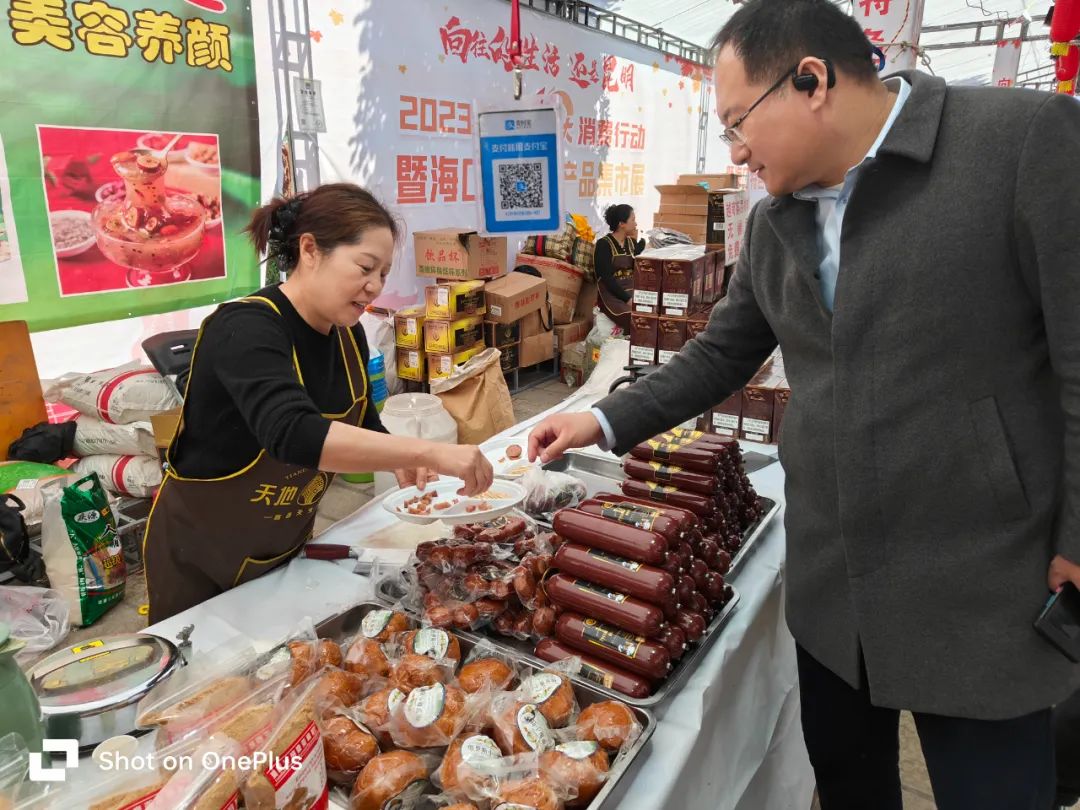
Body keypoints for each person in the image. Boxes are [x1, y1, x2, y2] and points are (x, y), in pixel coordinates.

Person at [527, 1, 1080, 807]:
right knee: (850, 786)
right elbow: (721, 353)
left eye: (737, 122)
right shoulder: (776, 222)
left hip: (979, 577)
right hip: (834, 582)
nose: (737, 149)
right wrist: (603, 418)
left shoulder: (1020, 143)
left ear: (811, 80)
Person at [143, 183, 493, 623]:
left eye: (383, 274)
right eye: (365, 267)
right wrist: (428, 450)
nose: (374, 287)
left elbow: (363, 420)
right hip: (200, 559)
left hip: (281, 546)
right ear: (310, 250)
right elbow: (291, 431)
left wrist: (394, 456)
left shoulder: (349, 335)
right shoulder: (245, 328)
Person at [592, 204, 644, 332]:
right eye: (633, 220)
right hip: (612, 296)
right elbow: (607, 279)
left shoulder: (631, 243)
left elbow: (637, 268)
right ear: (622, 224)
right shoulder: (604, 244)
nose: (636, 224)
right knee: (634, 318)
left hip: (631, 292)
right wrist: (627, 299)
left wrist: (641, 246)